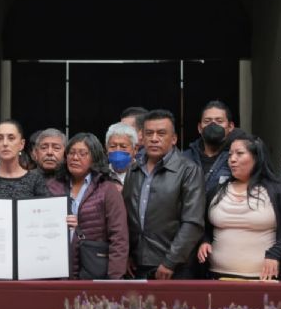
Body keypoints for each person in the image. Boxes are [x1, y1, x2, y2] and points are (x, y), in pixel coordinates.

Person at [196, 136, 281, 281]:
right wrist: (204, 241)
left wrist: (276, 252)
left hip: (264, 280)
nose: (232, 159)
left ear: (257, 157)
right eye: (230, 154)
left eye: (239, 153)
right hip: (217, 278)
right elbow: (204, 226)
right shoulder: (216, 191)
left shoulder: (280, 191)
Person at [123, 109, 205, 279]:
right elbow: (127, 216)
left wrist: (170, 261)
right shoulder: (134, 169)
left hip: (174, 266)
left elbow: (192, 223)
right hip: (137, 264)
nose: (154, 138)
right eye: (149, 133)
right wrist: (128, 254)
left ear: (174, 138)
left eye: (161, 133)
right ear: (142, 138)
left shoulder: (188, 170)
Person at [48, 133, 128, 279]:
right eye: (71, 153)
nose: (75, 158)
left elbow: (119, 236)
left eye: (82, 153)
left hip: (94, 269)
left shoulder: (107, 189)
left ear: (94, 158)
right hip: (56, 270)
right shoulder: (53, 187)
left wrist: (115, 278)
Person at [0, 120, 49, 201]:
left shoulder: (36, 179)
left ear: (21, 144)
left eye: (11, 138)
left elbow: (44, 210)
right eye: (0, 138)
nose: (5, 143)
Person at [183, 100, 244, 190]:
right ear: (200, 128)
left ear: (230, 127)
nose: (213, 125)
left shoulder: (238, 158)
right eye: (207, 121)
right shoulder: (184, 159)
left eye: (219, 121)